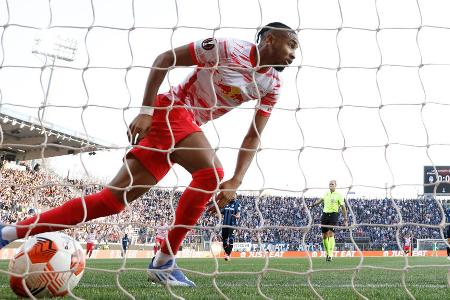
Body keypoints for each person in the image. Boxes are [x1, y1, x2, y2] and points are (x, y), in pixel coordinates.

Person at [0, 22, 298, 287]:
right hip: (171, 110)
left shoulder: (272, 84)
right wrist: (146, 110)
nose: (294, 53)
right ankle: (163, 262)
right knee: (210, 174)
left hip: (184, 126)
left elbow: (253, 135)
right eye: (292, 44)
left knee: (111, 202)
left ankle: (8, 233)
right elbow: (165, 59)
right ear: (269, 38)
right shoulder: (227, 48)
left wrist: (238, 179)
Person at [311, 180, 348, 262]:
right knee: (324, 235)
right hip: (325, 215)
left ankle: (331, 254)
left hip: (334, 215)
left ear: (335, 185)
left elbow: (343, 207)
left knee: (331, 233)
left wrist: (345, 219)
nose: (331, 185)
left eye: (332, 184)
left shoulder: (339, 195)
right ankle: (327, 253)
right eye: (330, 184)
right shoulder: (326, 193)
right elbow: (320, 200)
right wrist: (313, 204)